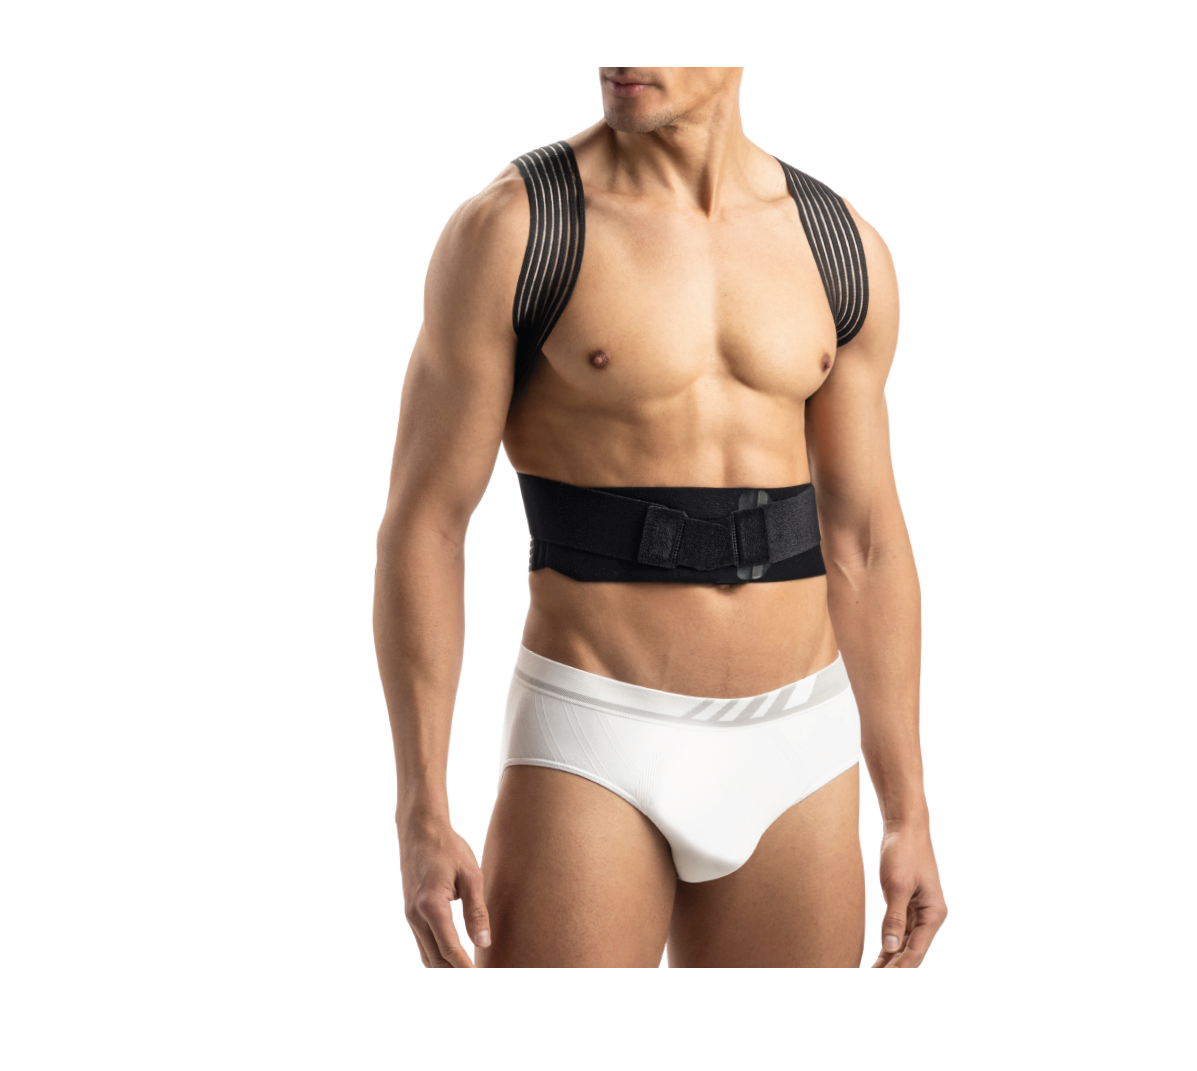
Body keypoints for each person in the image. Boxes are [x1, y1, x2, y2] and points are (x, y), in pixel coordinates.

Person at [374, 67, 945, 967]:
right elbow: (426, 525)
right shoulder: (517, 230)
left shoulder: (837, 245)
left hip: (799, 741)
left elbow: (864, 544)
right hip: (594, 731)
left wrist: (907, 812)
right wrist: (420, 809)